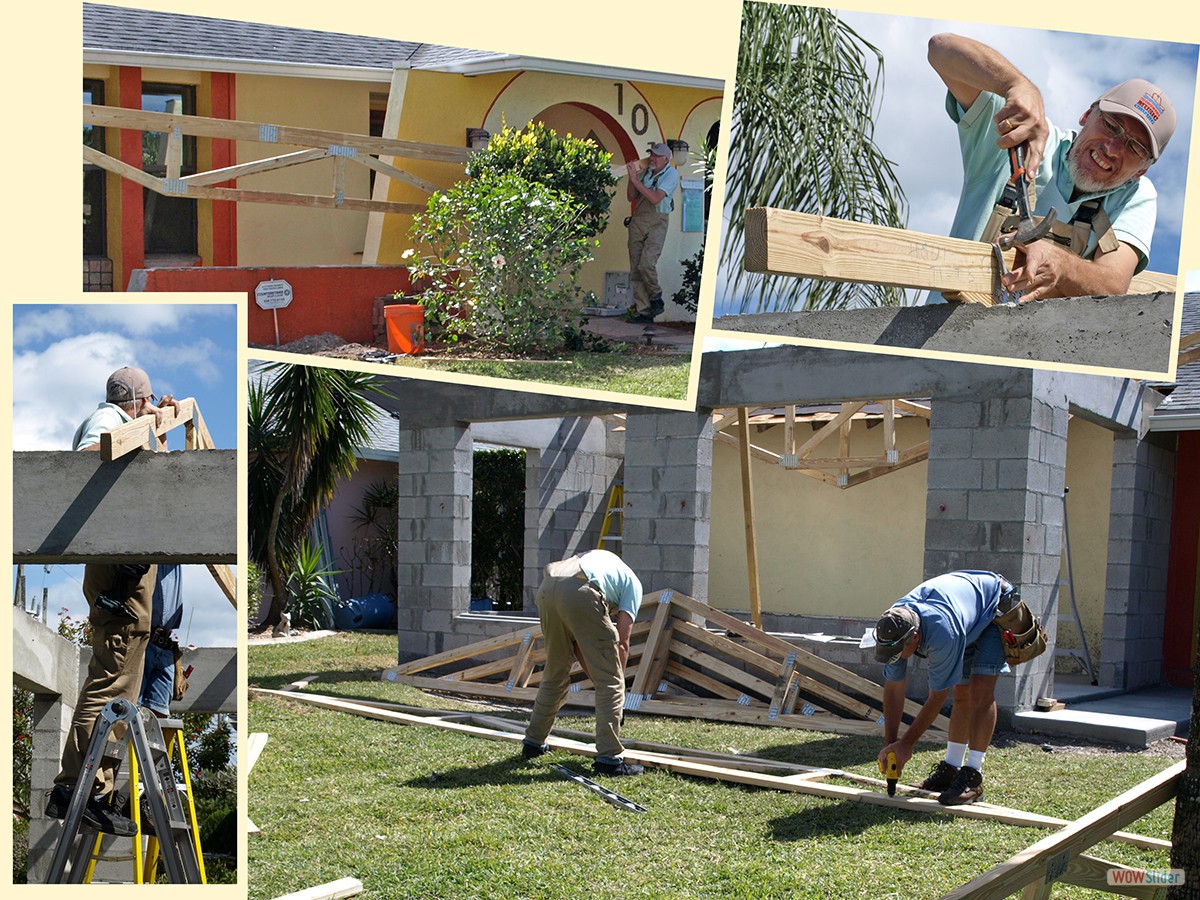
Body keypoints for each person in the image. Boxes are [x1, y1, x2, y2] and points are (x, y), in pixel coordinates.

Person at [927, 33, 1176, 303]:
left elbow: (1114, 283)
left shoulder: (1135, 196)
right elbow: (940, 49)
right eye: (1110, 125)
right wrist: (1016, 85)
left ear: (1141, 170)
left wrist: (1060, 265)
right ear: (1086, 115)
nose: (1112, 148)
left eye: (1135, 148)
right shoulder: (1022, 133)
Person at [44, 366, 178, 836]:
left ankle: (94, 790)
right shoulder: (106, 421)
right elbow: (90, 453)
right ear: (136, 402)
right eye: (148, 402)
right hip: (118, 573)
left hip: (125, 568)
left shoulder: (124, 419)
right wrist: (142, 427)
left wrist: (154, 420)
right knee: (109, 681)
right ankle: (73, 789)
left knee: (121, 686)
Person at [874, 570, 1018, 806]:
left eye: (898, 653)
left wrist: (907, 744)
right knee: (961, 693)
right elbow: (893, 689)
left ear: (915, 638)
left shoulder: (942, 633)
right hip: (964, 615)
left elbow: (937, 698)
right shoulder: (894, 625)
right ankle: (951, 769)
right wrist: (891, 744)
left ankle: (973, 775)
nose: (895, 658)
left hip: (993, 607)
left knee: (979, 689)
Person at [521, 549, 644, 776]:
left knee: (554, 674)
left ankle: (533, 744)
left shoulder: (601, 563)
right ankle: (609, 760)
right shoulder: (633, 585)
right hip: (581, 590)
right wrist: (615, 688)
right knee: (611, 681)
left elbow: (579, 645)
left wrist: (601, 677)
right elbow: (623, 643)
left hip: (548, 589)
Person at [625, 142, 680, 323]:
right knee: (635, 268)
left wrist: (635, 181)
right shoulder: (646, 171)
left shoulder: (671, 174)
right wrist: (632, 177)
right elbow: (631, 197)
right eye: (651, 155)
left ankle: (656, 296)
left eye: (656, 156)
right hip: (638, 221)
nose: (652, 159)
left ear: (666, 159)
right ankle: (644, 311)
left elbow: (656, 198)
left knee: (647, 263)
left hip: (657, 221)